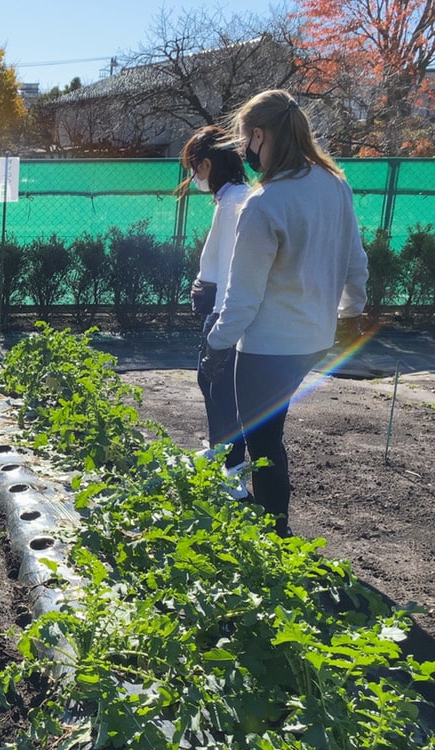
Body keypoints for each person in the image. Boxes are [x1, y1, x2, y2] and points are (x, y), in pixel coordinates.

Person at [201, 90, 368, 538]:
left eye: (245, 142)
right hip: (314, 337)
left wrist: (216, 344)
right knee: (269, 434)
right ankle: (273, 528)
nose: (246, 153)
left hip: (266, 346)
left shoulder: (265, 203)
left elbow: (243, 297)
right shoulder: (334, 184)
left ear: (260, 135)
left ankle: (276, 534)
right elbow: (356, 261)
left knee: (265, 440)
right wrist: (351, 313)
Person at [179, 125, 250, 492]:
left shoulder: (238, 202)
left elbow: (237, 265)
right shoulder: (232, 200)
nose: (194, 178)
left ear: (207, 165)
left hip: (227, 311)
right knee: (208, 381)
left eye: (195, 169)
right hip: (221, 306)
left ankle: (233, 469)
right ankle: (220, 452)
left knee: (221, 388)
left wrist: (218, 307)